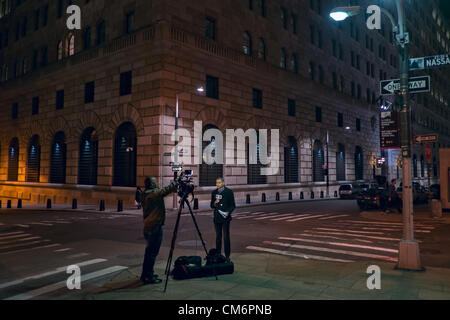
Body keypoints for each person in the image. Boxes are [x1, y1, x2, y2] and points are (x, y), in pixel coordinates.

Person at [140, 176, 179, 284]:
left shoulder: (144, 194)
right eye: (154, 182)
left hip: (147, 226)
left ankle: (146, 274)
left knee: (148, 253)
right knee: (152, 253)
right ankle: (148, 277)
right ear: (152, 184)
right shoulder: (154, 194)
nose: (156, 183)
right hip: (155, 226)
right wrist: (177, 181)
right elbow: (167, 189)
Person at [210, 177, 235, 263]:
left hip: (225, 218)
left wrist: (228, 212)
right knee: (218, 237)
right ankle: (218, 255)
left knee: (226, 237)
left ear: (223, 183)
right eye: (216, 183)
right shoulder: (214, 192)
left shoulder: (229, 192)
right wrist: (214, 203)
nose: (218, 184)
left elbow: (233, 205)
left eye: (219, 183)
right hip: (217, 218)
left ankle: (227, 256)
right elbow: (211, 205)